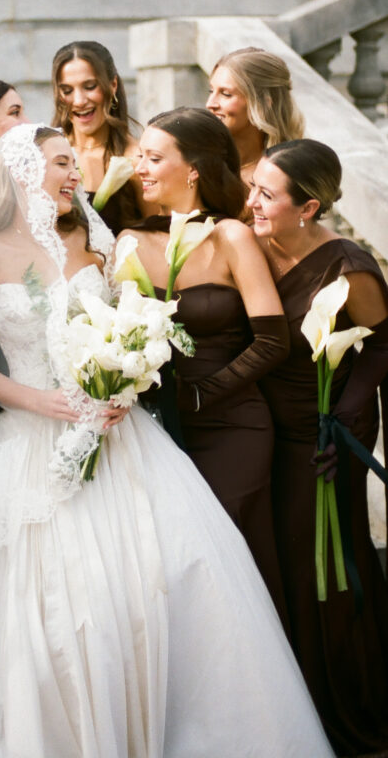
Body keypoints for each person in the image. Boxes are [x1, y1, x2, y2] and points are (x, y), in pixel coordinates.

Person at [0, 123, 332, 758]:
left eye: (71, 164)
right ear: (24, 173)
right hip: (29, 440)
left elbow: (133, 329)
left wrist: (122, 383)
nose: (74, 175)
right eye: (60, 163)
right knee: (47, 607)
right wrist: (46, 401)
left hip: (121, 440)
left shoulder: (96, 246)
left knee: (156, 584)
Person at [120, 107, 289, 619]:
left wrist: (201, 393)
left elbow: (272, 341)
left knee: (232, 551)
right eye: (139, 157)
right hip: (157, 430)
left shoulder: (231, 237)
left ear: (193, 168)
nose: (140, 168)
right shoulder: (129, 242)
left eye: (153, 158)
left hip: (233, 423)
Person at [248, 139, 388, 756]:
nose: (251, 201)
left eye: (266, 195)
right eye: (253, 187)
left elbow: (381, 343)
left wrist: (349, 417)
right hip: (260, 426)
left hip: (322, 429)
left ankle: (349, 708)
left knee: (326, 567)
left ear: (307, 207)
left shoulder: (347, 264)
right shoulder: (251, 243)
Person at [51, 40, 150, 234]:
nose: (79, 101)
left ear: (112, 85)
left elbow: (158, 240)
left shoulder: (137, 161)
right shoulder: (45, 155)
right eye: (67, 90)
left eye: (89, 86)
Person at [206, 46, 304, 194]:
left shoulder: (290, 176)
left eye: (226, 94)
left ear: (264, 102)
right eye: (211, 91)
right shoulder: (197, 164)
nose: (210, 104)